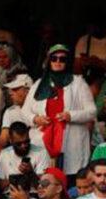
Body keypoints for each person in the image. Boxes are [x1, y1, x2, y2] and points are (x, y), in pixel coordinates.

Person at [24, 45, 97, 175]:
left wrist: (71, 116)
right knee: (44, 177)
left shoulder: (78, 83)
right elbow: (24, 112)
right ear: (49, 61)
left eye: (62, 59)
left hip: (70, 139)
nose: (58, 62)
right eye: (54, 58)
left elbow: (92, 112)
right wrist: (36, 119)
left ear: (67, 62)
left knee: (70, 178)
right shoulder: (39, 84)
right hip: (43, 137)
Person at [0, 122, 52, 187]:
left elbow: (44, 185)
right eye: (19, 144)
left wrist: (30, 173)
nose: (23, 146)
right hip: (10, 194)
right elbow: (0, 184)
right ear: (11, 140)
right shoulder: (4, 154)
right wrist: (21, 178)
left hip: (33, 194)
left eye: (26, 142)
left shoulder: (42, 152)